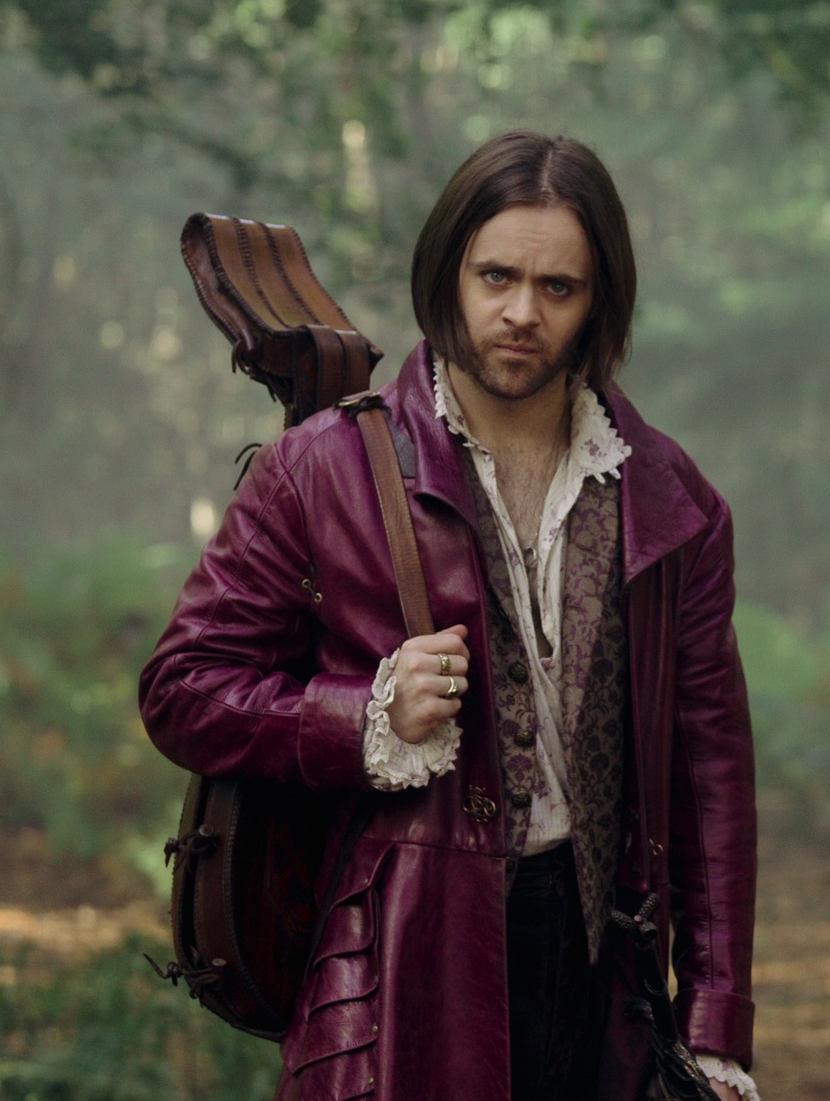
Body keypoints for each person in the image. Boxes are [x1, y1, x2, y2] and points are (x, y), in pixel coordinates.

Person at [139, 133, 758, 1101]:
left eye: (558, 287)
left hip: (609, 987)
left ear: (598, 301)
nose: (521, 313)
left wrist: (715, 1024)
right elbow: (180, 690)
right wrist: (362, 718)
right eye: (496, 276)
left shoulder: (670, 499)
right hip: (403, 971)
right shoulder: (321, 470)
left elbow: (709, 768)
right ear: (447, 273)